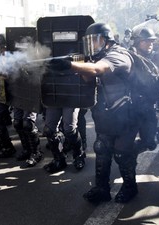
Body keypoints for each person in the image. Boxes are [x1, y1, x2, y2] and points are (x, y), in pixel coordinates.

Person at [50, 22, 139, 203]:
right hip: (107, 114)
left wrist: (70, 65)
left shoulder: (119, 55)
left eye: (95, 40)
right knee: (101, 150)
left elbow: (99, 69)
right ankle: (101, 189)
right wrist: (79, 65)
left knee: (122, 153)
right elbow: (90, 80)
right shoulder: (101, 56)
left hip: (127, 114)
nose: (92, 45)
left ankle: (130, 187)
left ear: (106, 39)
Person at [130, 27, 159, 153]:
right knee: (125, 143)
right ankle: (128, 162)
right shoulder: (130, 57)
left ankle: (131, 154)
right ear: (137, 41)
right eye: (146, 41)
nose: (150, 44)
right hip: (131, 107)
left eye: (151, 41)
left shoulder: (153, 58)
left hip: (148, 106)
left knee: (149, 142)